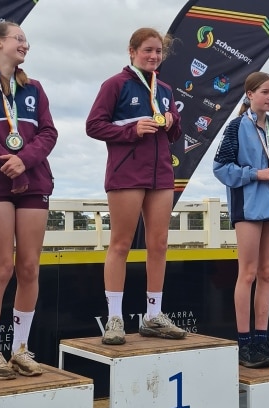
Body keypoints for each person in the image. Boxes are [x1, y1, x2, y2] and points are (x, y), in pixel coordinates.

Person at [0, 21, 58, 378]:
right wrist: (10, 162)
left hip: (33, 180)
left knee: (30, 268)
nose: (25, 45)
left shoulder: (34, 89)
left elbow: (49, 132)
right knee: (2, 267)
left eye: (26, 40)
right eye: (19, 39)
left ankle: (20, 349)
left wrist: (26, 160)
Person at [86, 28, 186, 345]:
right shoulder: (115, 85)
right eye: (147, 50)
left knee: (158, 244)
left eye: (158, 51)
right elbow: (93, 125)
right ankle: (114, 318)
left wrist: (173, 122)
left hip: (160, 174)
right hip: (126, 173)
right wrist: (131, 129)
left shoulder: (166, 89)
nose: (154, 56)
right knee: (121, 244)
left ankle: (153, 315)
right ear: (132, 51)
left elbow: (174, 135)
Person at [213, 72, 269, 368]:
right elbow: (221, 168)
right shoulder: (236, 127)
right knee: (247, 273)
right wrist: (254, 174)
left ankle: (262, 340)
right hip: (248, 208)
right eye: (265, 92)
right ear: (249, 94)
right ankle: (244, 343)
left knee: (267, 273)